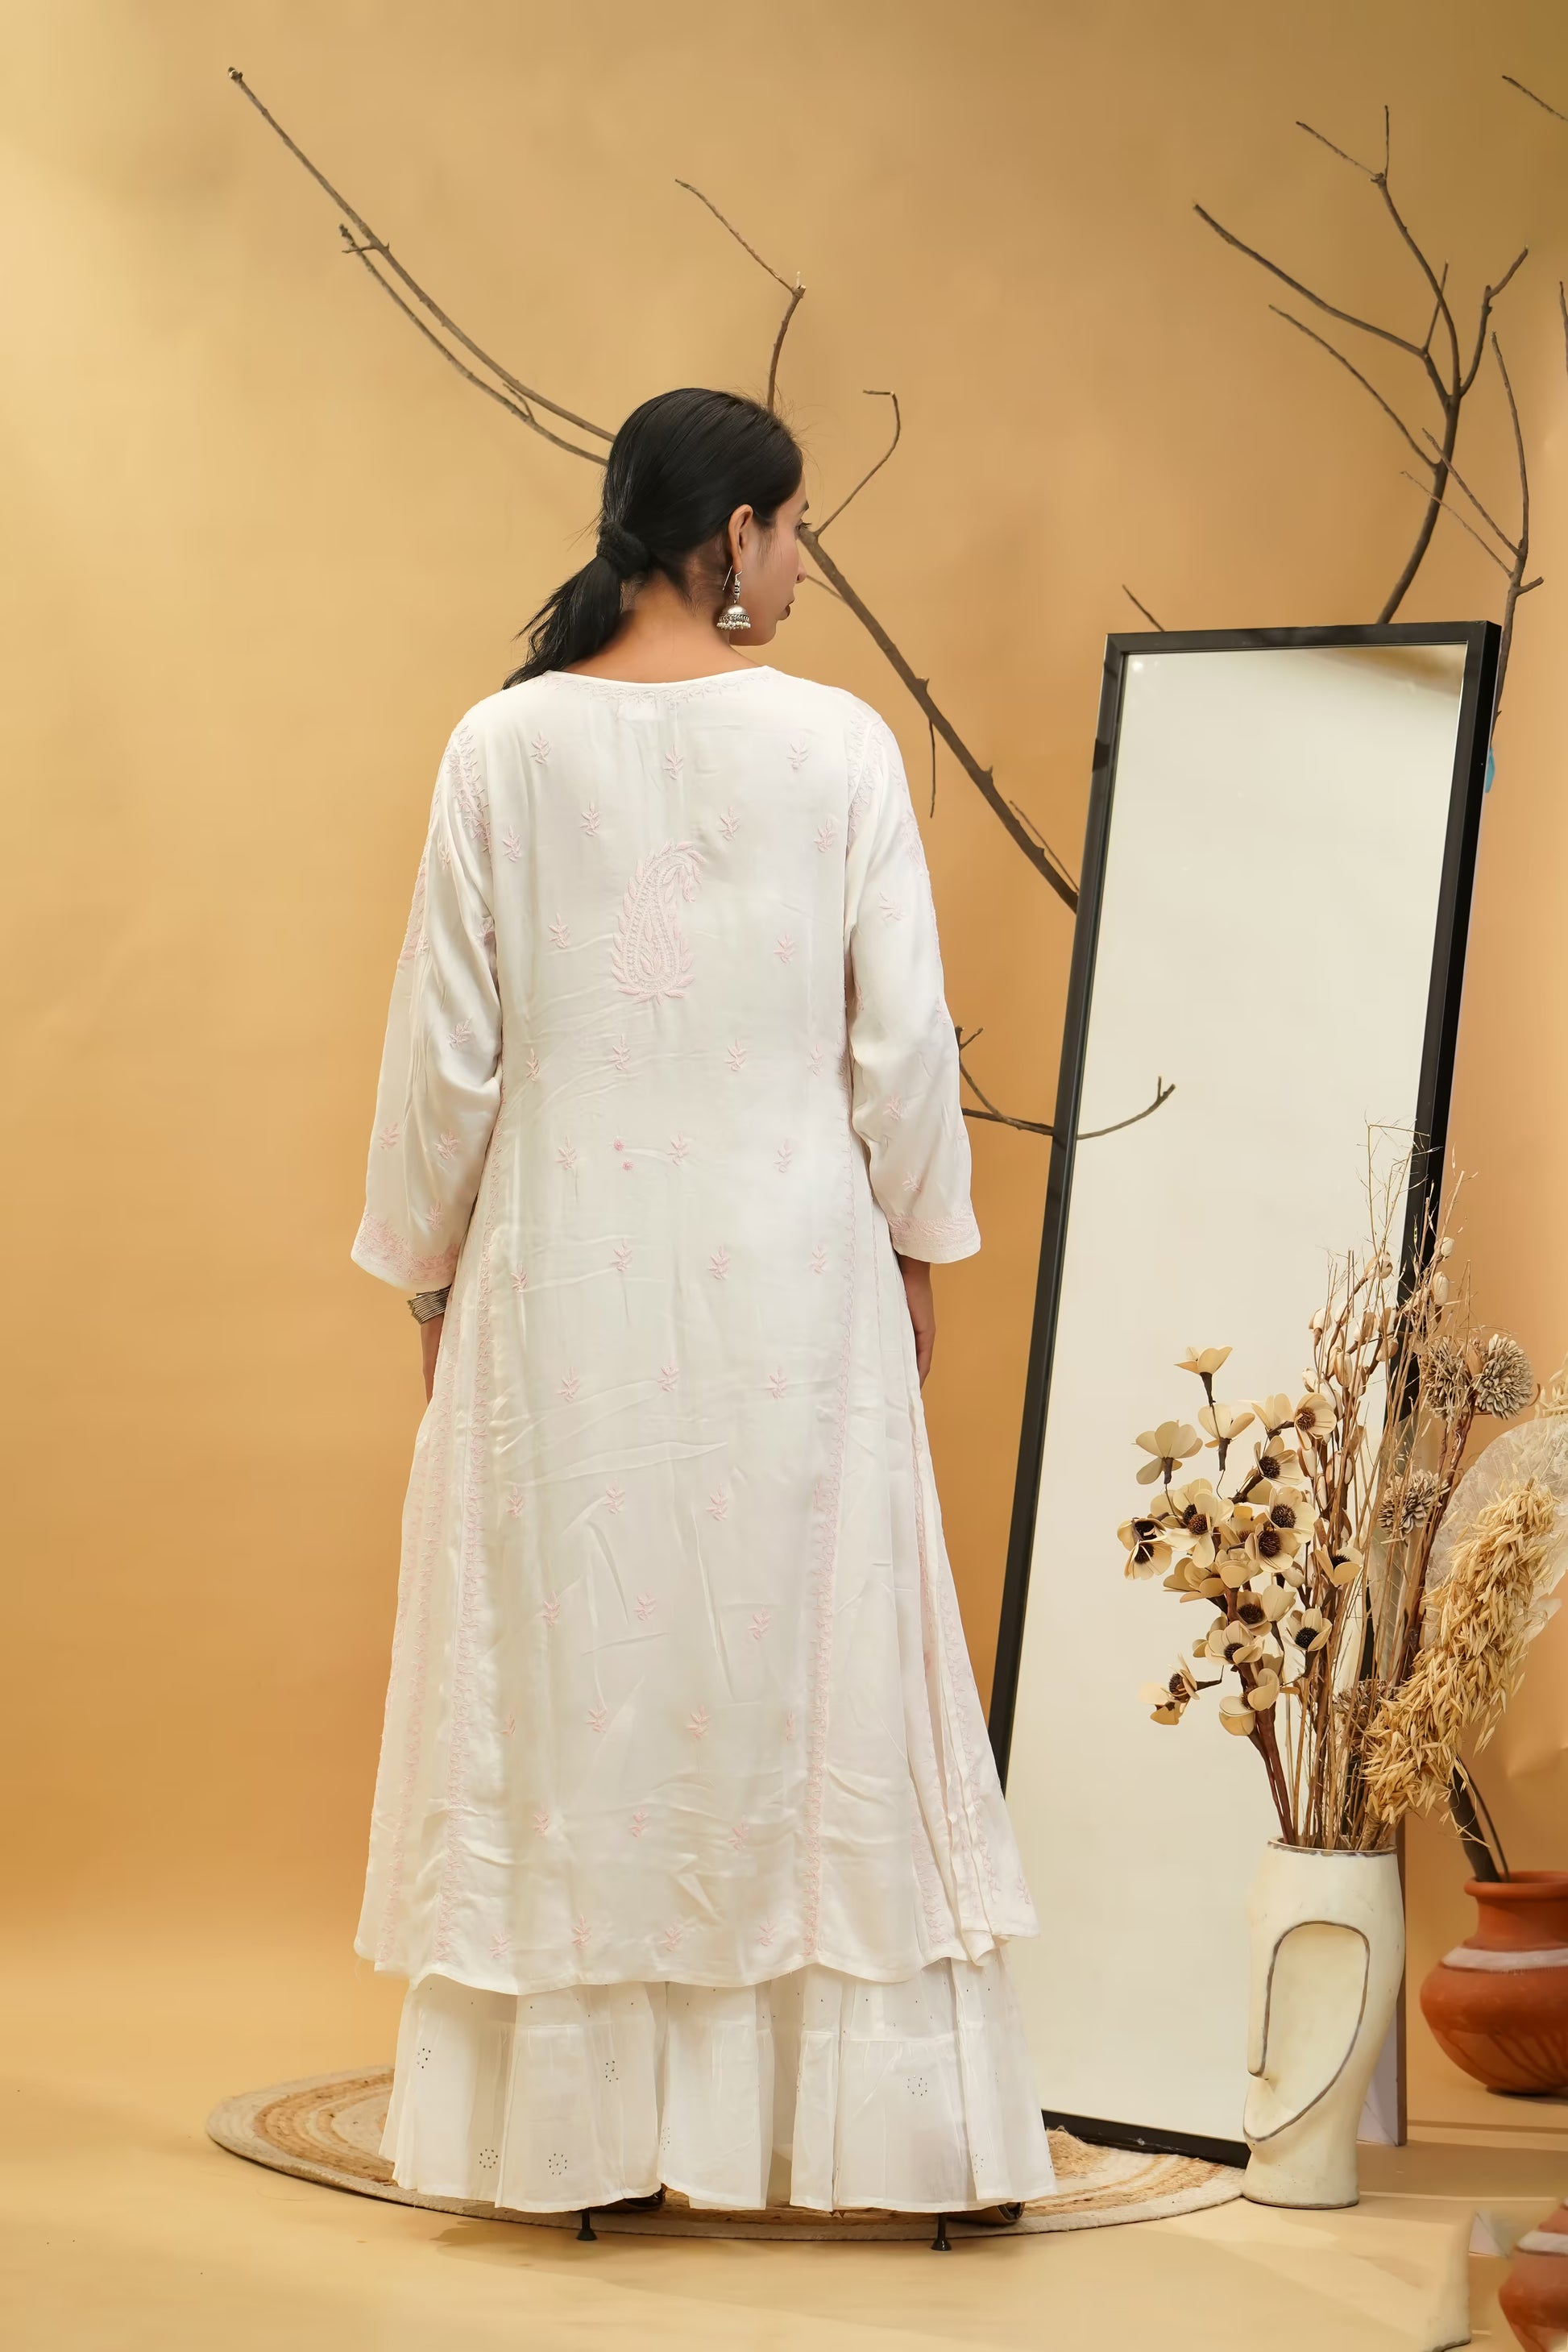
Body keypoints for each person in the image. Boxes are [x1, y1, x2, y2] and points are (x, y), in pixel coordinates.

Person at [351, 385, 1053, 2221]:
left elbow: (444, 1058)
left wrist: (430, 1270)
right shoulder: (834, 748)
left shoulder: (499, 749)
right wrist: (917, 1242)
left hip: (563, 1263)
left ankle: (581, 2148)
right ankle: (888, 2143)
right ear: (727, 537)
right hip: (788, 1261)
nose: (806, 561)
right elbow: (901, 1047)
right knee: (811, 1674)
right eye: (795, 527)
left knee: (585, 1673)